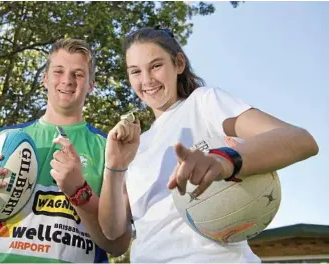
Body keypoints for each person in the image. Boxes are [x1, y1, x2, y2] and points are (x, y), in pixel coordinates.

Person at [99, 27, 319, 263]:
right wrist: (115, 166)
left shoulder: (203, 103)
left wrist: (223, 159)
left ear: (179, 63)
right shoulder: (136, 146)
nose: (147, 80)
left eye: (156, 66)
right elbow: (113, 233)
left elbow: (300, 140)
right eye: (135, 71)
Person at [0, 38, 131, 263]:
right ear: (45, 79)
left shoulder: (109, 148)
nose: (67, 81)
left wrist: (78, 191)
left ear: (91, 85)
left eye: (78, 74)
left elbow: (118, 244)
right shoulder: (7, 141)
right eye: (58, 71)